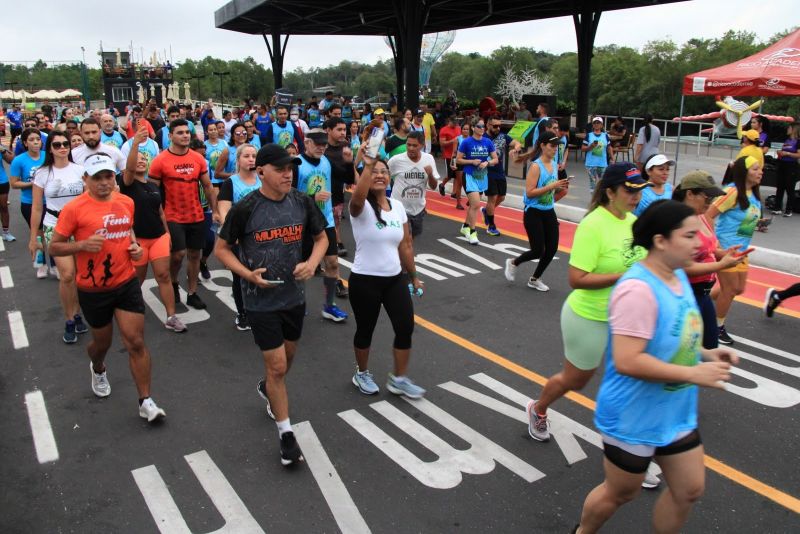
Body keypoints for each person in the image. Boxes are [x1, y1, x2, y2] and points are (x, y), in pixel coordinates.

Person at [572, 199, 738, 534]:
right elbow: (629, 359)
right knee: (620, 493)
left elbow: (677, 336)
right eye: (689, 236)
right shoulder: (637, 289)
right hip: (633, 415)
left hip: (673, 412)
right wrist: (693, 373)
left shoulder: (676, 276)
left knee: (689, 489)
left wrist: (707, 354)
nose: (699, 243)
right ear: (660, 241)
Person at [216, 144, 328, 465]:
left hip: (293, 297)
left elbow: (322, 238)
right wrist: (247, 275)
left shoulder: (301, 202)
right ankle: (286, 435)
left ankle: (269, 387)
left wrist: (311, 263)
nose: (287, 173)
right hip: (260, 301)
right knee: (278, 366)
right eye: (280, 169)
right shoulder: (246, 208)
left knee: (286, 360)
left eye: (290, 168)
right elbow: (222, 249)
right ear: (261, 171)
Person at [527, 163, 649, 442]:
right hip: (589, 316)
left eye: (639, 190)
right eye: (629, 190)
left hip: (626, 319)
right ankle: (539, 407)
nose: (636, 196)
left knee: (632, 380)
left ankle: (631, 450)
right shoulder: (593, 225)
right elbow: (577, 279)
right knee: (576, 380)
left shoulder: (634, 223)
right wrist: (624, 276)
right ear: (609, 192)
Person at [49, 153, 167, 422]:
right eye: (97, 177)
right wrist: (81, 245)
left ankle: (145, 401)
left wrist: (135, 247)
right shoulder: (74, 209)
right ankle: (98, 366)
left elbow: (128, 231)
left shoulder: (126, 202)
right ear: (85, 179)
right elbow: (54, 246)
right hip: (93, 289)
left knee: (136, 341)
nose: (103, 182)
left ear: (114, 178)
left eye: (108, 176)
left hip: (125, 282)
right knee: (102, 344)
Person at [347, 154, 426, 398]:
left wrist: (413, 276)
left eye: (384, 171)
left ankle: (399, 379)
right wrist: (367, 164)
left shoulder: (398, 206)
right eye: (374, 172)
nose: (379, 175)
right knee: (365, 330)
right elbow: (358, 197)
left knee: (405, 327)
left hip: (394, 280)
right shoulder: (359, 207)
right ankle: (361, 373)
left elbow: (406, 245)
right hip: (365, 281)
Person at [120, 125, 186, 333]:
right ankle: (129, 311)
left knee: (163, 276)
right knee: (136, 280)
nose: (141, 161)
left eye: (143, 159)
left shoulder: (152, 185)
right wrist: (136, 144)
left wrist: (166, 233)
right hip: (138, 239)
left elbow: (160, 212)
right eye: (137, 158)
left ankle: (171, 316)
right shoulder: (127, 184)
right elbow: (130, 169)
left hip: (158, 237)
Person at [148, 119, 218, 310]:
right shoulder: (160, 160)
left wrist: (215, 210)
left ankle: (193, 292)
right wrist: (155, 216)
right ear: (170, 136)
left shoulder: (198, 159)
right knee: (178, 255)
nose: (185, 135)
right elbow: (152, 192)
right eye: (180, 133)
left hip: (196, 214)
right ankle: (173, 283)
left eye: (187, 132)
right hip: (172, 216)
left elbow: (208, 186)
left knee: (195, 254)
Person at [28, 131, 88, 342]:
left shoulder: (81, 170)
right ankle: (69, 318)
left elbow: (90, 200)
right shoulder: (42, 173)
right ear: (50, 149)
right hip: (55, 225)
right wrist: (34, 237)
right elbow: (36, 208)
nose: (63, 147)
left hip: (79, 227)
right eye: (57, 144)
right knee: (67, 275)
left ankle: (78, 313)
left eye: (66, 144)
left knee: (80, 276)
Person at [672, 170, 743, 349]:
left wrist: (726, 254)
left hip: (703, 295)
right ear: (690, 194)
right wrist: (719, 265)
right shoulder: (677, 221)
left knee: (710, 345)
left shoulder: (704, 218)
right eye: (707, 196)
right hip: (685, 293)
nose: (710, 201)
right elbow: (682, 267)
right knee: (683, 349)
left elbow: (712, 249)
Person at [706, 156, 762, 345]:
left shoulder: (753, 194)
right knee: (729, 290)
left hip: (742, 251)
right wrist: (716, 245)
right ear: (744, 172)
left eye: (760, 169)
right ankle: (717, 327)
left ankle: (699, 301)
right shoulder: (732, 191)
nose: (760, 172)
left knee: (738, 288)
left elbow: (744, 219)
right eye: (755, 169)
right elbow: (708, 215)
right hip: (726, 249)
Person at [294, 128, 349, 322]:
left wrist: (351, 162)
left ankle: (329, 305)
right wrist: (312, 197)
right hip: (303, 223)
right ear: (306, 143)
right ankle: (296, 303)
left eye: (324, 144)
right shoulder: (296, 164)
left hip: (324, 220)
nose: (321, 147)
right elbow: (287, 196)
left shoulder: (326, 161)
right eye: (317, 144)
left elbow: (344, 178)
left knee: (332, 263)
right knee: (300, 267)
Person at [504, 133, 568, 291]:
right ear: (542, 146)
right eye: (552, 146)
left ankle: (535, 279)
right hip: (533, 212)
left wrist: (560, 186)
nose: (555, 149)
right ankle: (513, 262)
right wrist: (552, 186)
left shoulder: (554, 164)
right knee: (538, 250)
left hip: (548, 211)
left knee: (552, 248)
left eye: (556, 146)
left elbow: (550, 188)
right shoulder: (535, 166)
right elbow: (530, 192)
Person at [216, 144, 261, 330]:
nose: (251, 159)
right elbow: (224, 209)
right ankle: (242, 313)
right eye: (247, 156)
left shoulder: (262, 179)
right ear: (238, 160)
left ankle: (262, 309)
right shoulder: (231, 183)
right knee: (241, 276)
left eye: (254, 156)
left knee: (261, 273)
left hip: (261, 237)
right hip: (240, 238)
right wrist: (231, 233)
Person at [10, 128, 50, 278]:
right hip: (29, 203)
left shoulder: (48, 156)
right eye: (32, 140)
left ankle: (53, 264)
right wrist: (33, 184)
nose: (35, 143)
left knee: (50, 235)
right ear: (25, 143)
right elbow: (14, 183)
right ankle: (41, 265)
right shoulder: (19, 160)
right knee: (38, 235)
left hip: (49, 202)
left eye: (38, 139)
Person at [387, 131, 439, 239]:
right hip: (399, 208)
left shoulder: (428, 159)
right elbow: (384, 178)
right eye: (408, 144)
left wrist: (430, 175)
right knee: (406, 239)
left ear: (422, 145)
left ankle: (405, 255)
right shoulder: (396, 160)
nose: (410, 148)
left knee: (412, 238)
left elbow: (433, 186)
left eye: (414, 145)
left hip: (418, 209)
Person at [456, 120, 498, 245]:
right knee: (475, 204)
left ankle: (465, 226)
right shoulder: (466, 142)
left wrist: (487, 163)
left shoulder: (488, 142)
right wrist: (471, 161)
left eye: (483, 126)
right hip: (469, 176)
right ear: (473, 128)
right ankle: (473, 232)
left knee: (473, 205)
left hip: (482, 176)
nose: (482, 128)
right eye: (479, 126)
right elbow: (458, 160)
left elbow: (495, 159)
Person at [323, 118, 355, 268]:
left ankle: (335, 244)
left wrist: (349, 163)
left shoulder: (345, 147)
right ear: (328, 130)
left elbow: (348, 178)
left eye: (344, 129)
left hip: (336, 195)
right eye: (339, 129)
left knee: (334, 223)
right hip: (319, 196)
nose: (343, 132)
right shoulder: (321, 148)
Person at [483, 115, 522, 236]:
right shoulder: (482, 138)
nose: (498, 128)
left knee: (502, 197)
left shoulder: (503, 136)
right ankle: (491, 225)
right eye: (495, 126)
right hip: (487, 171)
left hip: (500, 171)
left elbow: (517, 143)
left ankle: (487, 211)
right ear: (488, 125)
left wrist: (515, 149)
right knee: (493, 197)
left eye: (500, 126)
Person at [774, 122, 800, 217]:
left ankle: (789, 210)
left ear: (793, 129)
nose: (787, 130)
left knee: (790, 188)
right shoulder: (787, 140)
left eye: (788, 128)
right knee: (780, 186)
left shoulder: (798, 141)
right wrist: (780, 153)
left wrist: (788, 154)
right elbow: (784, 150)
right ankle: (777, 208)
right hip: (782, 164)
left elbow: (798, 155)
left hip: (792, 166)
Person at [582, 117, 614, 192]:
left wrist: (613, 159)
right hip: (591, 164)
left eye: (598, 123)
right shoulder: (588, 135)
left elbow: (609, 147)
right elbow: (583, 148)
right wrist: (591, 146)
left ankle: (600, 199)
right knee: (593, 184)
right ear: (592, 125)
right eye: (595, 123)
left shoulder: (605, 135)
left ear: (602, 125)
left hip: (602, 163)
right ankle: (594, 201)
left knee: (602, 183)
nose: (596, 124)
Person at [437, 115, 462, 207]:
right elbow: (442, 143)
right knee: (450, 175)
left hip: (458, 154)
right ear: (449, 121)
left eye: (456, 123)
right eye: (454, 122)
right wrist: (453, 141)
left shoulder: (459, 128)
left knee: (457, 175)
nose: (455, 125)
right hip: (448, 155)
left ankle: (454, 193)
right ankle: (442, 184)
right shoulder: (444, 130)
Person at [204, 121, 228, 187]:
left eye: (215, 129)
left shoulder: (224, 143)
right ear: (206, 132)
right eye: (211, 130)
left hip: (224, 178)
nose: (213, 131)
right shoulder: (204, 145)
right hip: (212, 179)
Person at [0, 141, 15, 241]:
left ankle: (6, 232)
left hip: (2, 181)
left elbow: (11, 160)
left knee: (3, 207)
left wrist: (3, 150)